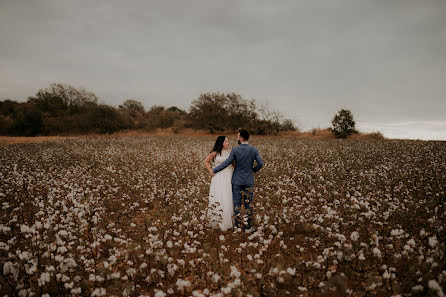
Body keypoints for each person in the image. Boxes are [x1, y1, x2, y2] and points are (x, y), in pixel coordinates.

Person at [212, 129, 263, 233]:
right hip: (249, 180)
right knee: (248, 203)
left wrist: (215, 170)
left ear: (241, 138)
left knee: (237, 203)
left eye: (237, 137)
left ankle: (239, 226)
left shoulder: (235, 149)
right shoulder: (254, 150)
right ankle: (248, 227)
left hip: (237, 180)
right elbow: (260, 163)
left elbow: (227, 163)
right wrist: (253, 170)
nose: (236, 138)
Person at [204, 136, 234, 231]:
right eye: (225, 141)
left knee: (227, 196)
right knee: (218, 196)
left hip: (228, 176)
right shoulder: (215, 153)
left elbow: (233, 164)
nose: (227, 143)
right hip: (218, 177)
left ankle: (227, 220)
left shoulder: (230, 152)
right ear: (221, 142)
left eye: (228, 141)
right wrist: (211, 171)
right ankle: (217, 221)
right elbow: (206, 161)